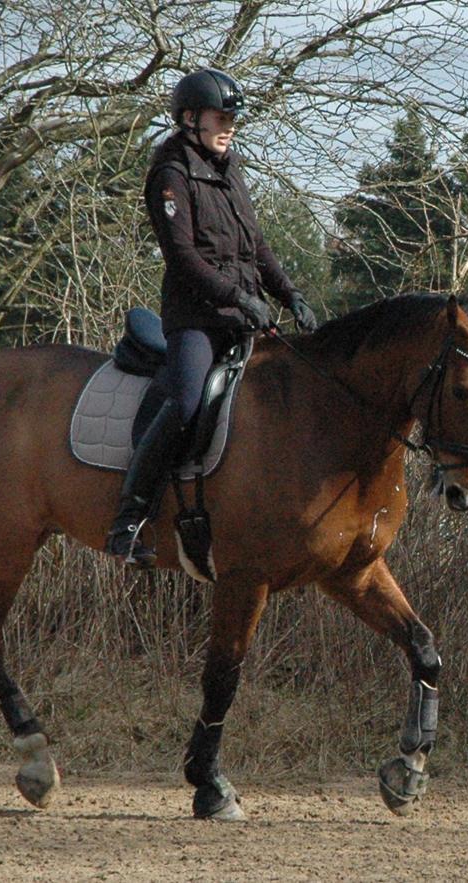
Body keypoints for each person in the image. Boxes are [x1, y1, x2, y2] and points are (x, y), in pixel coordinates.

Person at [105, 67, 319, 567]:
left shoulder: (228, 169)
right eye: (221, 118)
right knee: (184, 404)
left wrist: (290, 295)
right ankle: (129, 519)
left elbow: (256, 246)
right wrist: (237, 296)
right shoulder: (171, 174)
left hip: (241, 315)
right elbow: (182, 256)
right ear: (189, 118)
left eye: (232, 120)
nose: (229, 127)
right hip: (195, 319)